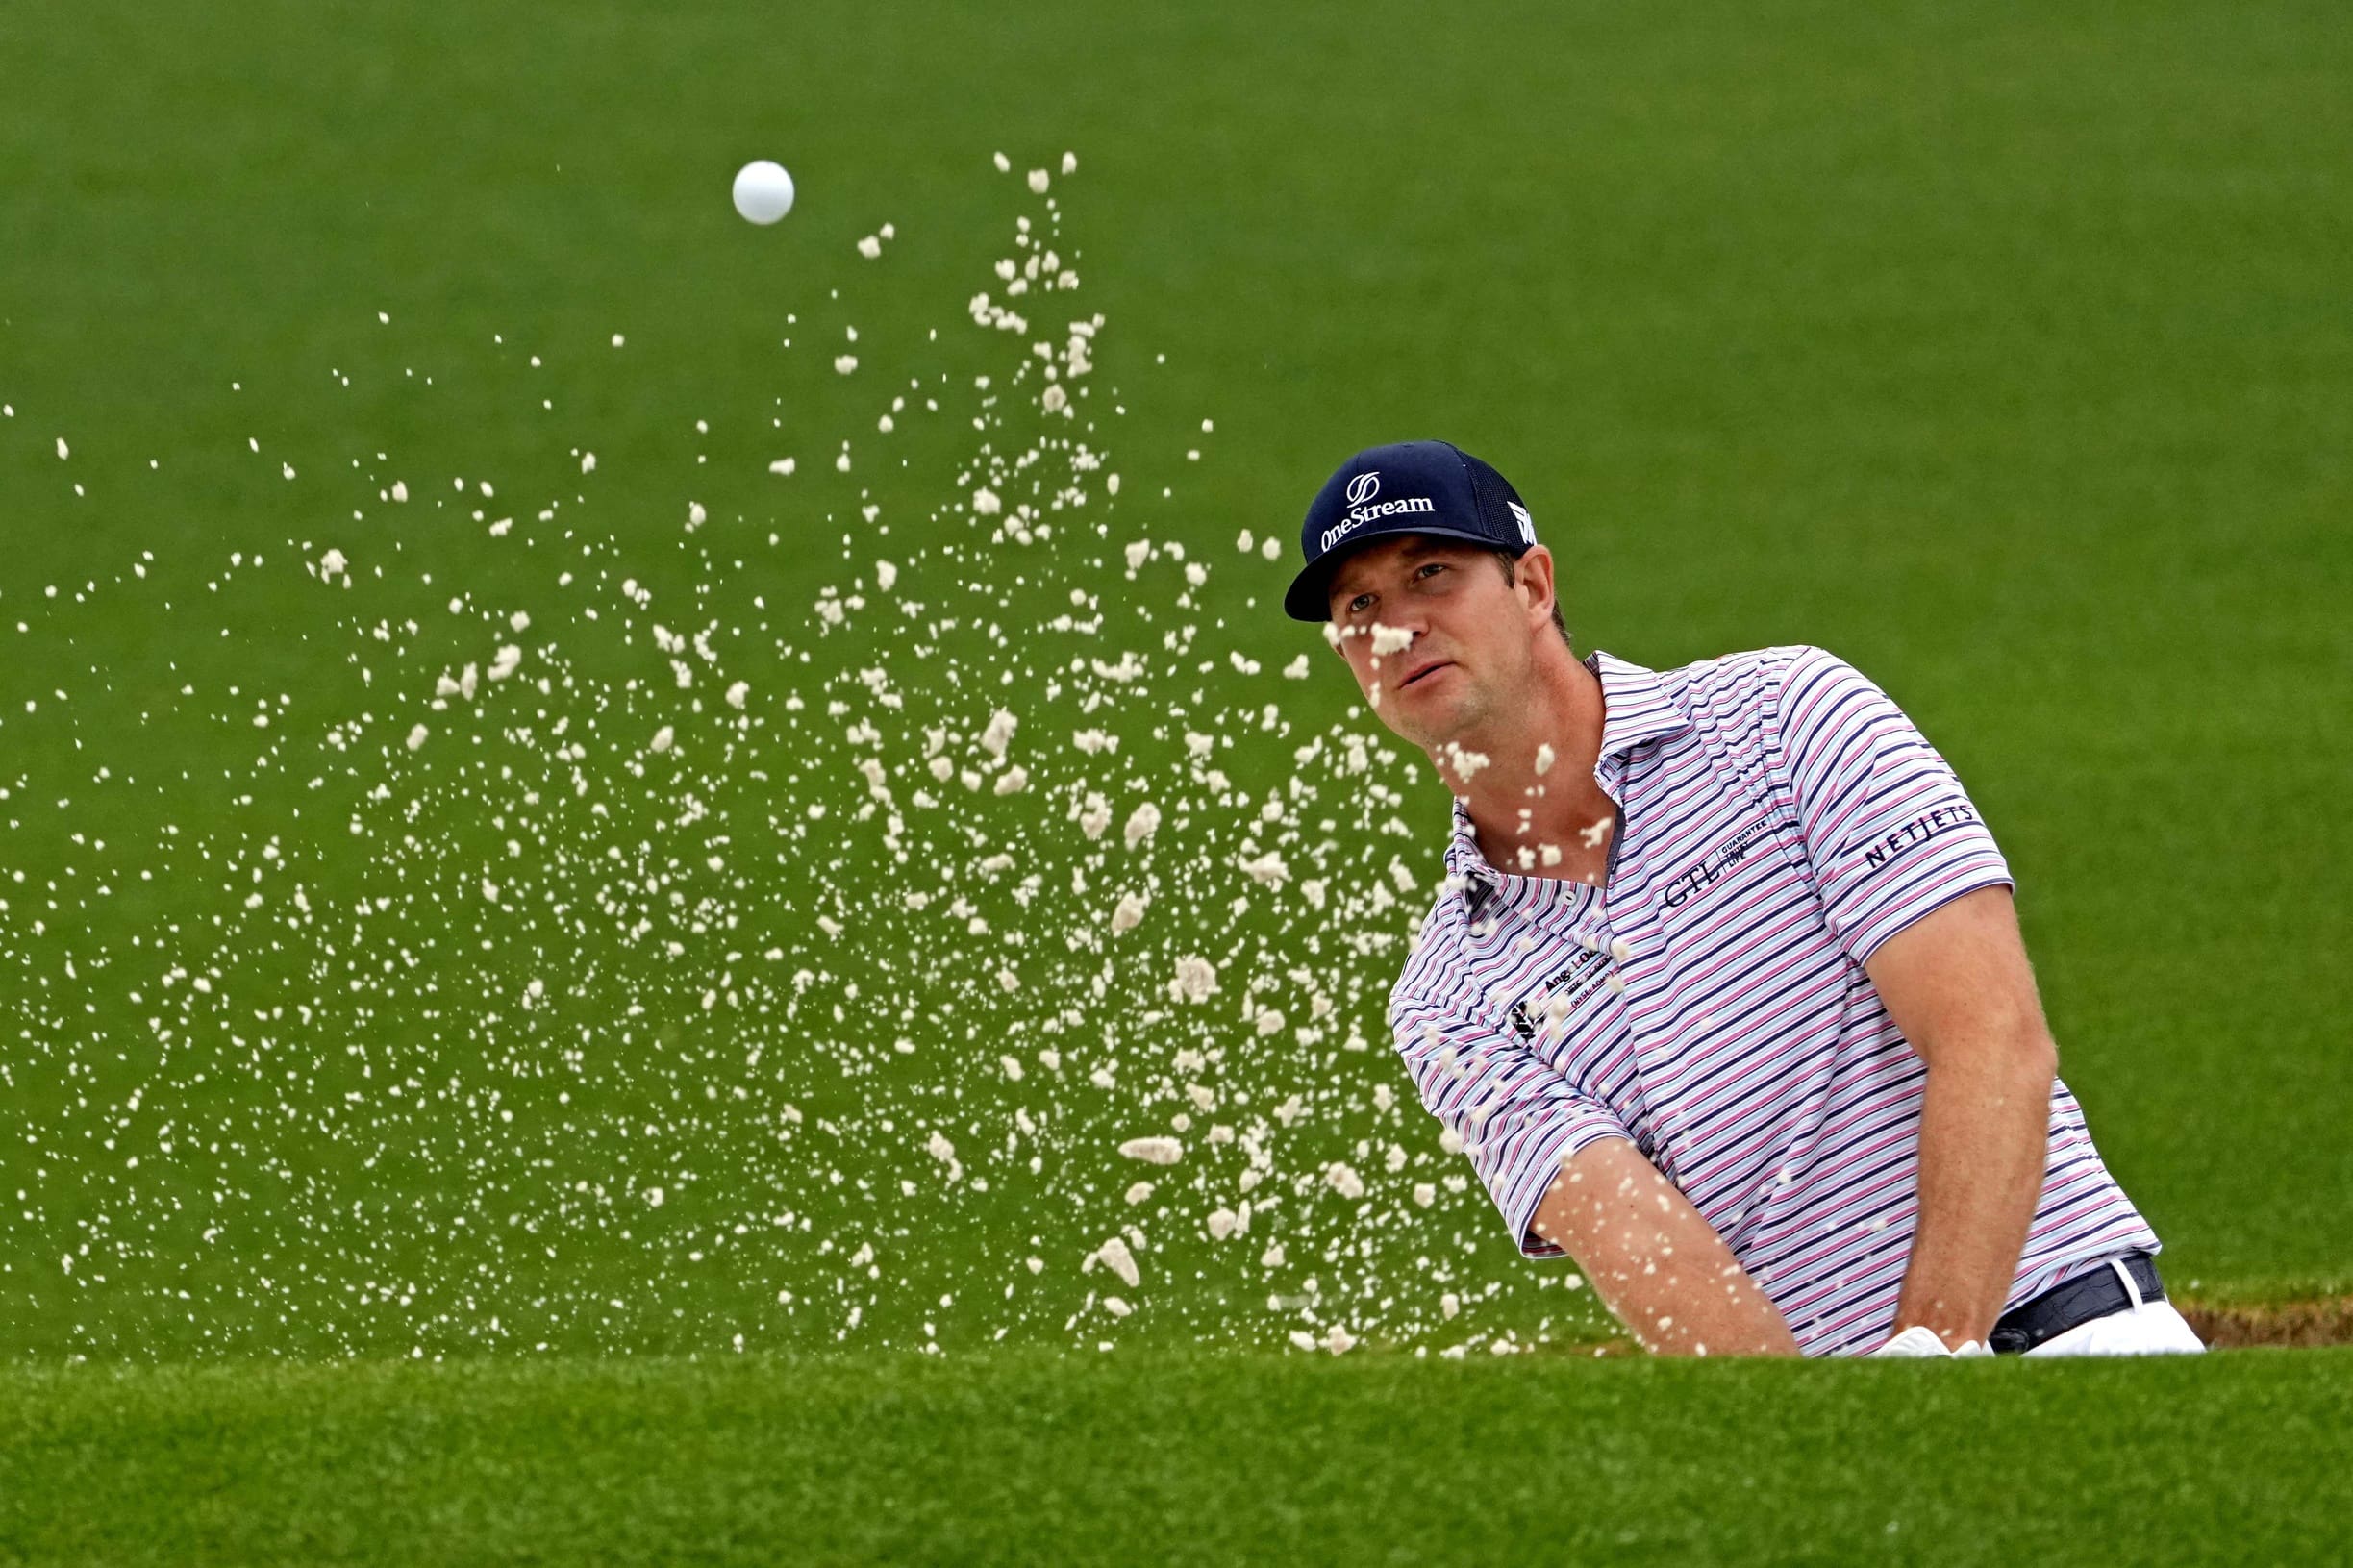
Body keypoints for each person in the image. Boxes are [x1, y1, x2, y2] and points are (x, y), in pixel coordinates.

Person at [1285, 439, 2204, 1358]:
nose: (1396, 627)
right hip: (1842, 1441)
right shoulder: (1446, 999)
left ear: (1531, 586)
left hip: (2077, 1336)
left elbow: (1991, 1038)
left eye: (1431, 574)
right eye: (1358, 606)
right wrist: (1832, 1439)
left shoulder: (1782, 716)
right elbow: (1648, 1252)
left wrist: (1933, 1361)